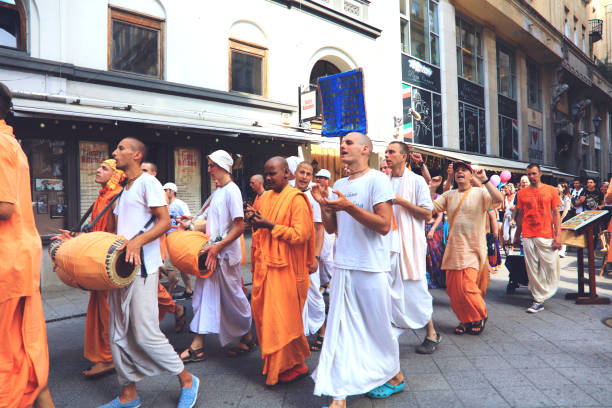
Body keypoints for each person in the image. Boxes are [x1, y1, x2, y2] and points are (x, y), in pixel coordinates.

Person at [98, 137, 198, 408]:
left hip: (142, 267)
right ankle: (128, 394)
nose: (114, 152)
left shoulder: (148, 183)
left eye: (120, 148)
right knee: (117, 331)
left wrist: (138, 242)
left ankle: (187, 379)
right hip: (121, 269)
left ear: (137, 155)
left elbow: (164, 221)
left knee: (144, 333)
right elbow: (121, 230)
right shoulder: (125, 188)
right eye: (116, 147)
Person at [311, 132, 400, 407]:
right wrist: (324, 205)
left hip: (371, 266)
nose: (342, 146)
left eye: (348, 143)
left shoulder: (378, 180)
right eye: (342, 143)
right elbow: (332, 228)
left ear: (365, 149)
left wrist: (348, 206)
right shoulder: (339, 183)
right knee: (340, 330)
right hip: (343, 265)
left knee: (378, 328)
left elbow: (384, 225)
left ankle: (394, 374)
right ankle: (339, 396)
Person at [0, 81, 55, 407]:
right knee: (24, 345)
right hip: (17, 258)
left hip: (7, 261)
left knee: (7, 354)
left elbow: (4, 206)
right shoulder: (11, 143)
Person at [246, 157, 316, 386]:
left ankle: (288, 366)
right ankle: (294, 364)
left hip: (286, 270)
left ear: (287, 173)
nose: (267, 178)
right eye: (265, 174)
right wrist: (254, 221)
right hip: (266, 268)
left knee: (282, 321)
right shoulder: (265, 198)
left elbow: (301, 234)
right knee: (268, 319)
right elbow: (260, 231)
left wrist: (269, 225)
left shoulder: (297, 199)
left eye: (272, 174)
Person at [179, 150, 254, 362]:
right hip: (211, 255)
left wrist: (218, 247)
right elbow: (211, 224)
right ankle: (198, 345)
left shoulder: (232, 191)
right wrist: (190, 223)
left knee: (234, 299)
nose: (210, 170)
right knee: (204, 296)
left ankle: (247, 336)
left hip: (223, 256)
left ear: (222, 166)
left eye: (212, 166)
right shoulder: (218, 192)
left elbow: (239, 226)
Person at [429, 161, 503, 335]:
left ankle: (479, 315)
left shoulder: (480, 192)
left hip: (473, 248)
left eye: (464, 170)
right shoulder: (449, 195)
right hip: (454, 248)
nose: (459, 172)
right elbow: (430, 210)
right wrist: (432, 188)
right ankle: (465, 319)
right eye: (457, 170)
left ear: (471, 175)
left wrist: (485, 180)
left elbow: (498, 200)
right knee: (454, 290)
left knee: (467, 286)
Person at [384, 142, 440, 355]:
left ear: (404, 157)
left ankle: (432, 333)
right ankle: (389, 334)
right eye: (386, 152)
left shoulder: (416, 182)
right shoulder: (383, 181)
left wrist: (400, 202)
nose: (387, 155)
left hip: (410, 244)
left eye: (392, 152)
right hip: (388, 244)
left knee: (416, 290)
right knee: (389, 292)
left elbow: (427, 214)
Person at [80, 160, 124, 378]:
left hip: (107, 265)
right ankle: (106, 355)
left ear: (115, 175)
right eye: (99, 166)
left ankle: (110, 359)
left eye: (104, 168)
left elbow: (119, 236)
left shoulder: (117, 199)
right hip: (97, 261)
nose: (97, 170)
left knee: (108, 312)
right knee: (99, 311)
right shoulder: (101, 196)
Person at [139, 163, 187, 334]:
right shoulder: (139, 189)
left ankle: (173, 310)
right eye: (141, 170)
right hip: (140, 248)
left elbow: (163, 223)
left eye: (145, 170)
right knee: (149, 290)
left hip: (152, 247)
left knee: (151, 288)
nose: (142, 173)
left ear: (154, 172)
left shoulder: (157, 192)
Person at [514, 164, 562, 314]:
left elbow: (556, 215)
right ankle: (538, 299)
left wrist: (558, 236)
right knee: (532, 268)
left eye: (534, 173)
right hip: (528, 234)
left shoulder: (551, 190)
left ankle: (543, 292)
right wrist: (517, 234)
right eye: (529, 174)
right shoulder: (521, 193)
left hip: (546, 234)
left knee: (551, 266)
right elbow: (520, 215)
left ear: (540, 174)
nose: (531, 177)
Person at [294, 162, 327, 341]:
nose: (305, 176)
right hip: (292, 254)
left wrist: (315, 256)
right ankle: (299, 332)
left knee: (313, 292)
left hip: (309, 255)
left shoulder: (312, 197)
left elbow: (319, 228)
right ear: (294, 173)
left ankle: (322, 331)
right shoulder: (290, 194)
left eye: (308, 174)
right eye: (302, 172)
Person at [162, 181, 192, 298]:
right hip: (167, 238)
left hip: (178, 238)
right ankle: (188, 290)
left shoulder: (180, 204)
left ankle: (169, 293)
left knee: (170, 266)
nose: (163, 193)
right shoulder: (165, 204)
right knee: (178, 266)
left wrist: (183, 226)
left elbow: (189, 219)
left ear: (172, 191)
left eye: (165, 190)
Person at [558, 183, 572, 257]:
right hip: (558, 214)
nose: (557, 188)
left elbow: (566, 209)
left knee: (563, 233)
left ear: (563, 188)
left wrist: (561, 218)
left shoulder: (566, 197)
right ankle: (559, 248)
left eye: (558, 187)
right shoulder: (558, 196)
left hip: (565, 215)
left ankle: (563, 250)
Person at [502, 183, 517, 254]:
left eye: (506, 188)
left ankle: (511, 248)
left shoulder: (515, 196)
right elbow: (502, 208)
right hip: (506, 217)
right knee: (505, 235)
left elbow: (518, 206)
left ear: (510, 189)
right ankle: (508, 245)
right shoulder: (504, 197)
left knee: (513, 234)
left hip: (513, 217)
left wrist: (514, 208)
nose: (505, 190)